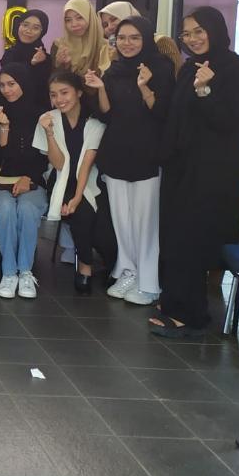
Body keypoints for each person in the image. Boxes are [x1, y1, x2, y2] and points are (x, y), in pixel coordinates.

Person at [152, 7, 239, 337]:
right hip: (181, 166)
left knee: (193, 239)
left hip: (210, 171)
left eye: (199, 31)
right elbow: (176, 116)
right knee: (174, 236)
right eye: (187, 33)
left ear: (215, 29)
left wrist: (205, 90)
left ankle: (190, 316)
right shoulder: (189, 68)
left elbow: (230, 122)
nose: (193, 39)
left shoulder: (236, 69)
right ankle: (173, 302)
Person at [84, 17, 174, 306]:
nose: (127, 43)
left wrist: (145, 86)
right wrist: (100, 87)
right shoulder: (115, 70)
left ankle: (149, 282)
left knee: (145, 222)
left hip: (147, 154)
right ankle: (128, 271)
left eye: (134, 37)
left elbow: (162, 113)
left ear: (146, 38)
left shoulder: (160, 67)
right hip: (116, 152)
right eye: (121, 38)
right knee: (121, 219)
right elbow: (107, 114)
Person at [33, 71, 116, 295]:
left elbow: (86, 165)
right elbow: (59, 164)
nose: (59, 99)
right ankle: (85, 267)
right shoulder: (48, 119)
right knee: (83, 214)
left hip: (87, 180)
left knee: (102, 224)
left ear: (78, 92)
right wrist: (49, 133)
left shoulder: (94, 121)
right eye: (54, 95)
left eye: (64, 92)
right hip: (60, 180)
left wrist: (78, 197)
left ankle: (114, 266)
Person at [0, 64, 49, 299]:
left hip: (32, 181)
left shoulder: (40, 115)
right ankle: (9, 272)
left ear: (24, 83)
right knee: (6, 208)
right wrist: (4, 128)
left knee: (27, 208)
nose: (7, 90)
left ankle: (26, 272)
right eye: (2, 85)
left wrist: (28, 178)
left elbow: (44, 157)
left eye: (12, 84)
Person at [100, 1, 184, 75]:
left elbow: (177, 75)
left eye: (113, 19)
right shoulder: (106, 50)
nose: (110, 27)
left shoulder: (161, 42)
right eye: (105, 25)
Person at [0, 10, 52, 109]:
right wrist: (31, 64)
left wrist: (37, 65)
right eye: (25, 25)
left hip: (36, 111)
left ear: (43, 32)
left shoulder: (45, 60)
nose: (28, 31)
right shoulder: (9, 54)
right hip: (7, 109)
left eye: (35, 28)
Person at [50, 0, 111, 79]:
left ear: (90, 18)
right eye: (68, 20)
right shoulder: (59, 45)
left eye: (79, 18)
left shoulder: (105, 46)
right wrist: (64, 66)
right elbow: (54, 80)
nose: (74, 24)